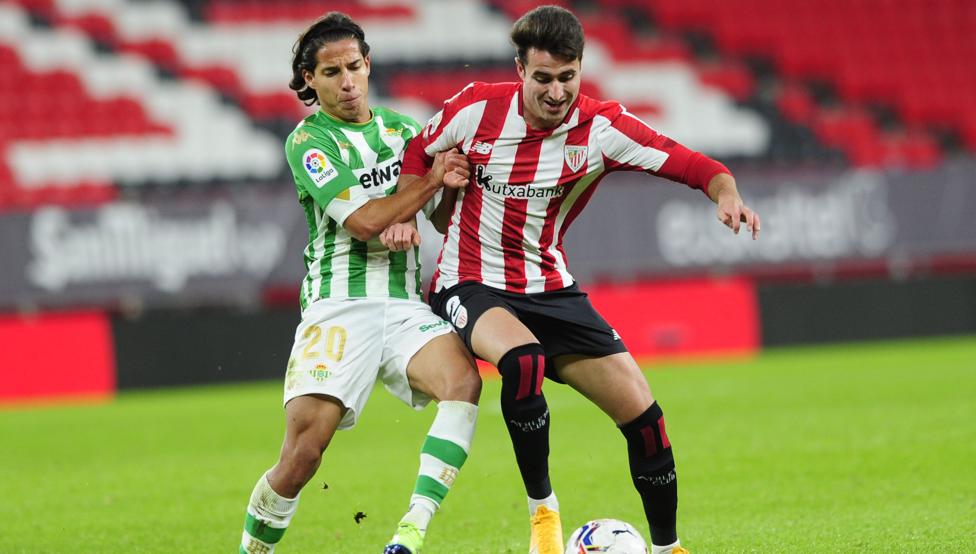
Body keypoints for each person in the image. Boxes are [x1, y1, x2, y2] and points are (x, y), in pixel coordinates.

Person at [384, 6, 761, 554]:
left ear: (581, 68)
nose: (557, 92)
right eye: (543, 78)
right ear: (520, 69)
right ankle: (544, 514)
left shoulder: (601, 128)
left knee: (646, 420)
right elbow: (418, 151)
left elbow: (692, 165)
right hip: (470, 281)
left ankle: (668, 548)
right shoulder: (475, 108)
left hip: (551, 288)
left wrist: (727, 196)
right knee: (523, 361)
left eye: (568, 77)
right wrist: (407, 210)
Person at [238, 12, 482, 554]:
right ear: (310, 80)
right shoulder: (309, 142)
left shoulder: (405, 132)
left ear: (368, 64)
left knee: (463, 383)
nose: (347, 82)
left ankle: (411, 530)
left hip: (402, 301)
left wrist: (448, 185)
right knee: (302, 456)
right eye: (331, 73)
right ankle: (253, 549)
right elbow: (366, 221)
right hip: (338, 304)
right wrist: (425, 186)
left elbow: (441, 218)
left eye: (353, 67)